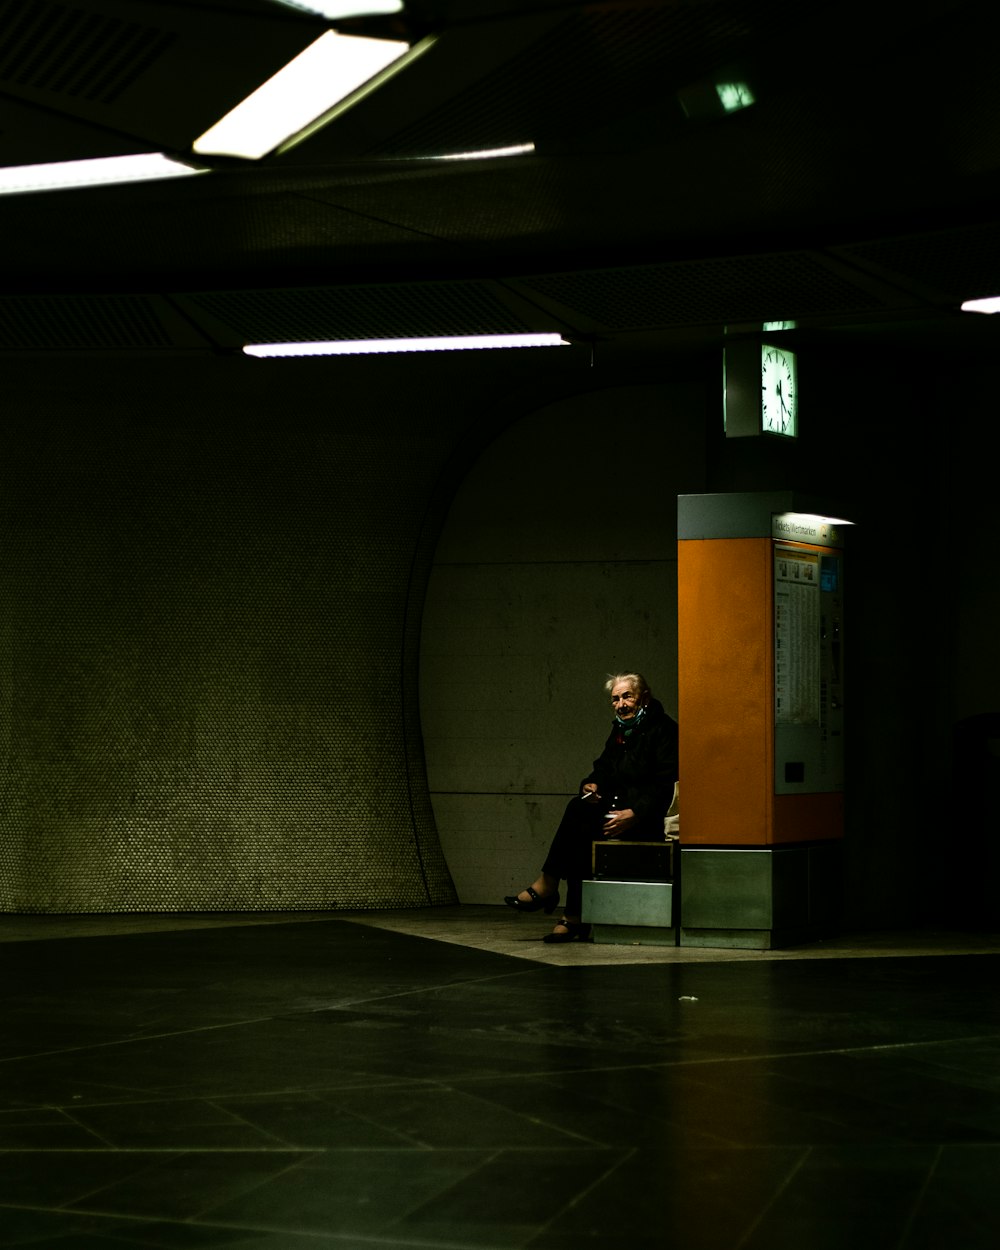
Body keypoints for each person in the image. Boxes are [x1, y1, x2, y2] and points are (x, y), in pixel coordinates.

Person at [504, 671, 678, 943]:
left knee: (580, 825)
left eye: (627, 697)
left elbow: (666, 783)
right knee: (580, 812)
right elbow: (604, 768)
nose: (620, 704)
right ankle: (569, 912)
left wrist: (636, 813)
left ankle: (559, 899)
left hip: (645, 817)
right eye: (615, 699)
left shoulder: (665, 730)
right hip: (616, 811)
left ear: (644, 698)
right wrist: (592, 785)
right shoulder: (620, 730)